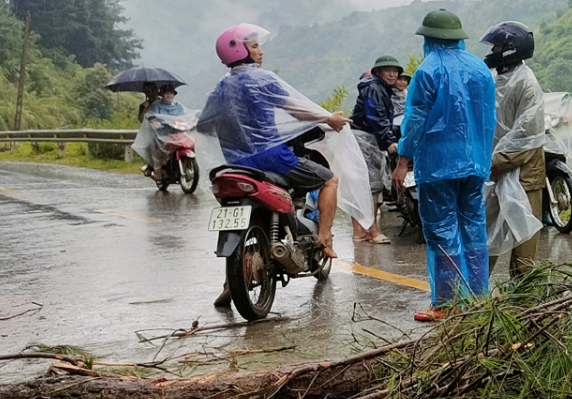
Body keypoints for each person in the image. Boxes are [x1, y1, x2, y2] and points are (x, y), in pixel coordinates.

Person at [199, 23, 349, 264]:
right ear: (241, 51)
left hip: (235, 164)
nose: (261, 51)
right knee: (329, 179)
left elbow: (204, 125)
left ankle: (231, 285)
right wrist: (327, 118)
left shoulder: (220, 88)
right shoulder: (262, 79)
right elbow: (297, 111)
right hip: (272, 158)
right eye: (255, 46)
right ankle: (325, 238)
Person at [392, 9, 496, 322]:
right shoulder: (479, 69)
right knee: (474, 229)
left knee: (442, 232)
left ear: (430, 39)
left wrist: (402, 159)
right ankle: (478, 298)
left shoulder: (428, 71)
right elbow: (489, 117)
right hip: (474, 163)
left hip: (438, 166)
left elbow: (416, 121)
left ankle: (448, 303)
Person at [481, 21, 545, 279]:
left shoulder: (527, 84)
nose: (493, 50)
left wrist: (495, 163)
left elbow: (526, 136)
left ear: (510, 48)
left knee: (523, 242)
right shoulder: (500, 80)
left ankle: (523, 299)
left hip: (524, 175)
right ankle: (475, 290)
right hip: (497, 170)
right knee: (486, 236)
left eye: (497, 46)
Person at [350, 55, 403, 244]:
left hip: (364, 138)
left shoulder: (381, 89)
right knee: (372, 186)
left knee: (364, 185)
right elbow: (377, 117)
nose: (392, 74)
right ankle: (372, 231)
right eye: (387, 70)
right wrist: (389, 141)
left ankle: (360, 232)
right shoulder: (374, 88)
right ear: (378, 72)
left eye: (395, 71)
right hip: (365, 139)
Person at [144, 85, 186, 182]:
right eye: (167, 93)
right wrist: (154, 121)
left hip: (176, 132)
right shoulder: (156, 105)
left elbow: (184, 116)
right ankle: (157, 171)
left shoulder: (178, 106)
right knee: (159, 150)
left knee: (189, 144)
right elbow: (151, 115)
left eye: (171, 93)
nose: (169, 95)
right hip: (161, 134)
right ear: (162, 95)